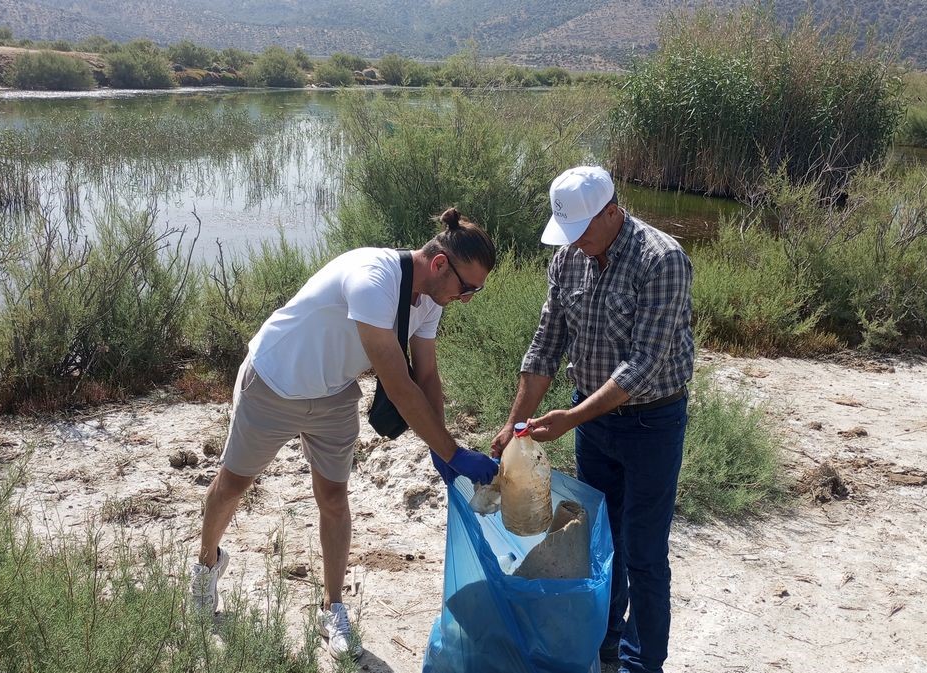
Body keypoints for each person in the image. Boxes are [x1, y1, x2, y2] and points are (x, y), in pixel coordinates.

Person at [192, 208, 499, 659]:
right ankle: (206, 564)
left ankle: (332, 608)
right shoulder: (372, 279)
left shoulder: (431, 299)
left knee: (334, 499)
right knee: (235, 483)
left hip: (334, 393)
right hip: (275, 380)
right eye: (467, 287)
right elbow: (398, 382)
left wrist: (442, 448)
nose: (467, 297)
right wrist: (454, 453)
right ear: (439, 265)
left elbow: (427, 375)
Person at [490, 166, 694, 673]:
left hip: (652, 423)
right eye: (567, 233)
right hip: (595, 426)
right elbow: (546, 346)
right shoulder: (567, 260)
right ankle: (603, 641)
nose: (574, 243)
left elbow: (645, 362)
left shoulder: (661, 259)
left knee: (644, 550)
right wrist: (515, 424)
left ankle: (641, 664)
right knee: (602, 540)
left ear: (611, 212)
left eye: (581, 230)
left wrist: (572, 417)